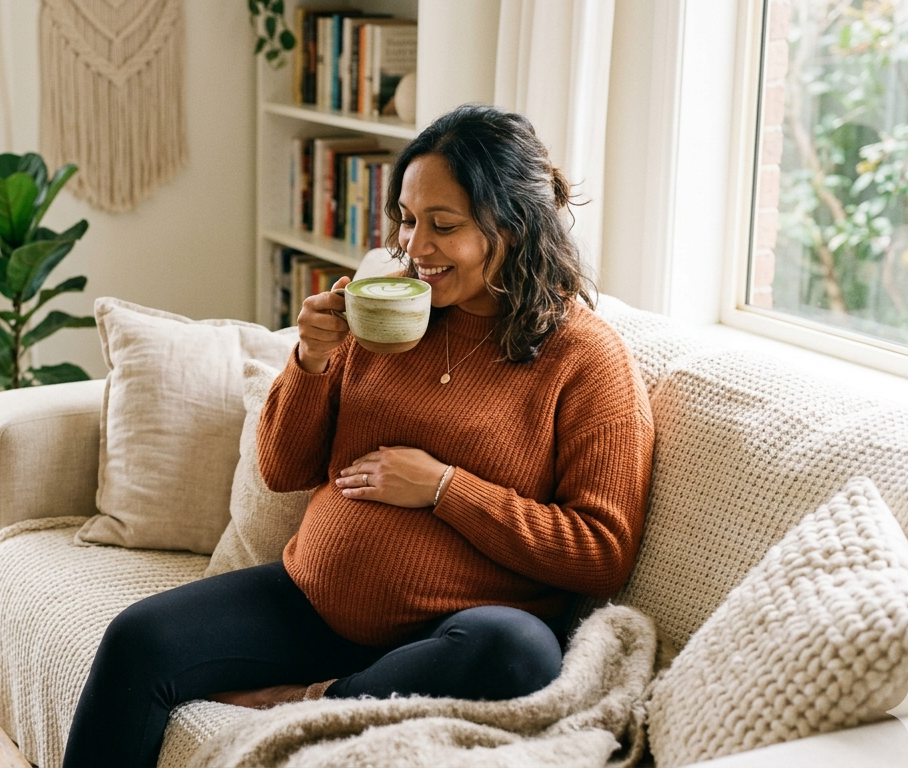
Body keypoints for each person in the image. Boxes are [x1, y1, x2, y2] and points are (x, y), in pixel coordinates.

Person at [62, 104, 655, 768]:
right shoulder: (385, 312)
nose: (414, 248)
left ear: (513, 224)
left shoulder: (586, 359)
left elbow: (601, 551)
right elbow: (284, 468)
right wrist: (310, 359)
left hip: (454, 634)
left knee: (519, 652)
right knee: (136, 640)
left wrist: (443, 488)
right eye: (406, 219)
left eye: (443, 226)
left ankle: (317, 697)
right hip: (310, 602)